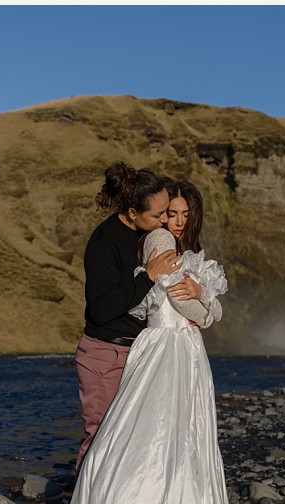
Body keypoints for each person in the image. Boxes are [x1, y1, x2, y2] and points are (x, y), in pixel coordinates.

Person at [52, 179, 285, 504]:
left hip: (178, 354)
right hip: (167, 350)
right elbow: (184, 305)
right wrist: (201, 303)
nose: (175, 221)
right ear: (150, 214)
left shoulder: (171, 242)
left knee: (172, 446)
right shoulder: (158, 240)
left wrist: (204, 300)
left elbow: (206, 309)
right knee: (146, 444)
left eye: (184, 214)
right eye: (170, 212)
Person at [75, 162, 178, 472]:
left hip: (138, 351)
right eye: (158, 215)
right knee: (100, 438)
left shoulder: (148, 234)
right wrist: (147, 275)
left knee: (132, 438)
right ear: (133, 213)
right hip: (106, 355)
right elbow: (101, 309)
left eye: (166, 212)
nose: (165, 220)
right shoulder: (105, 242)